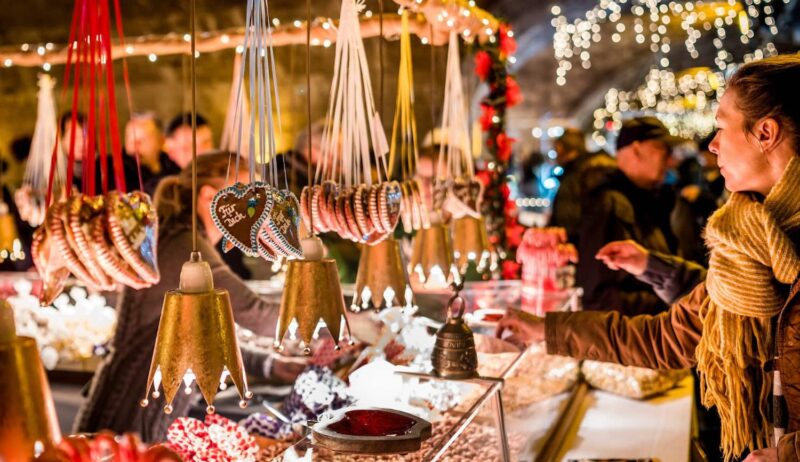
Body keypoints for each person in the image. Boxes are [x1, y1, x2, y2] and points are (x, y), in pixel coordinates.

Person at [497, 55, 800, 462]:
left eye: (722, 127)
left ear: (765, 133)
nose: (710, 145)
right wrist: (547, 330)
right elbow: (667, 336)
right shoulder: (743, 242)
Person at [74, 152, 305, 442]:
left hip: (146, 401)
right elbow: (253, 311)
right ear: (209, 196)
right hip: (130, 408)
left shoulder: (185, 238)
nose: (257, 213)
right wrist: (333, 321)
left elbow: (203, 337)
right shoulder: (186, 245)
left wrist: (269, 364)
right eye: (251, 201)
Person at [577, 116, 683, 315]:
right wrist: (667, 310)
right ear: (636, 150)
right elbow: (600, 296)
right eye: (664, 149)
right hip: (638, 337)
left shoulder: (650, 200)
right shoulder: (610, 204)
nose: (670, 160)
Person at [548, 128, 615, 243]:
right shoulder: (583, 171)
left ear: (562, 148)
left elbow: (569, 218)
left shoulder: (576, 176)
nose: (555, 155)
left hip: (576, 248)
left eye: (556, 149)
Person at [124, 112, 180, 196]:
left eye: (144, 139)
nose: (134, 144)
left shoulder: (173, 168)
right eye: (129, 138)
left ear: (161, 141)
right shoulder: (117, 171)